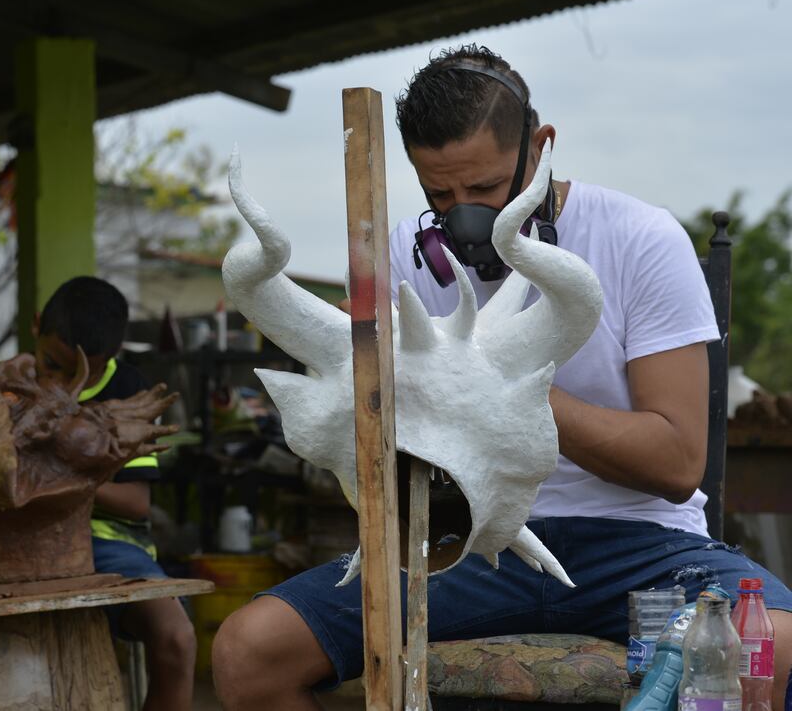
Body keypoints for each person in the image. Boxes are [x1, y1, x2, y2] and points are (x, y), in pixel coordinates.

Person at [211, 44, 792, 710]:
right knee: (248, 652)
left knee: (769, 648)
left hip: (645, 549)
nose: (463, 216)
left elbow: (678, 461)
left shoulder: (638, 238)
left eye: (486, 190)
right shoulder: (403, 251)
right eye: (440, 194)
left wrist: (501, 394)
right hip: (469, 544)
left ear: (539, 148)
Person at [33, 276, 196, 711]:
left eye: (79, 373)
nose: (66, 385)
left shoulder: (129, 390)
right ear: (35, 327)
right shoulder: (10, 386)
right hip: (27, 548)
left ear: (114, 354)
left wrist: (58, 476)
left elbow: (136, 503)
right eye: (54, 364)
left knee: (177, 637)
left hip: (110, 547)